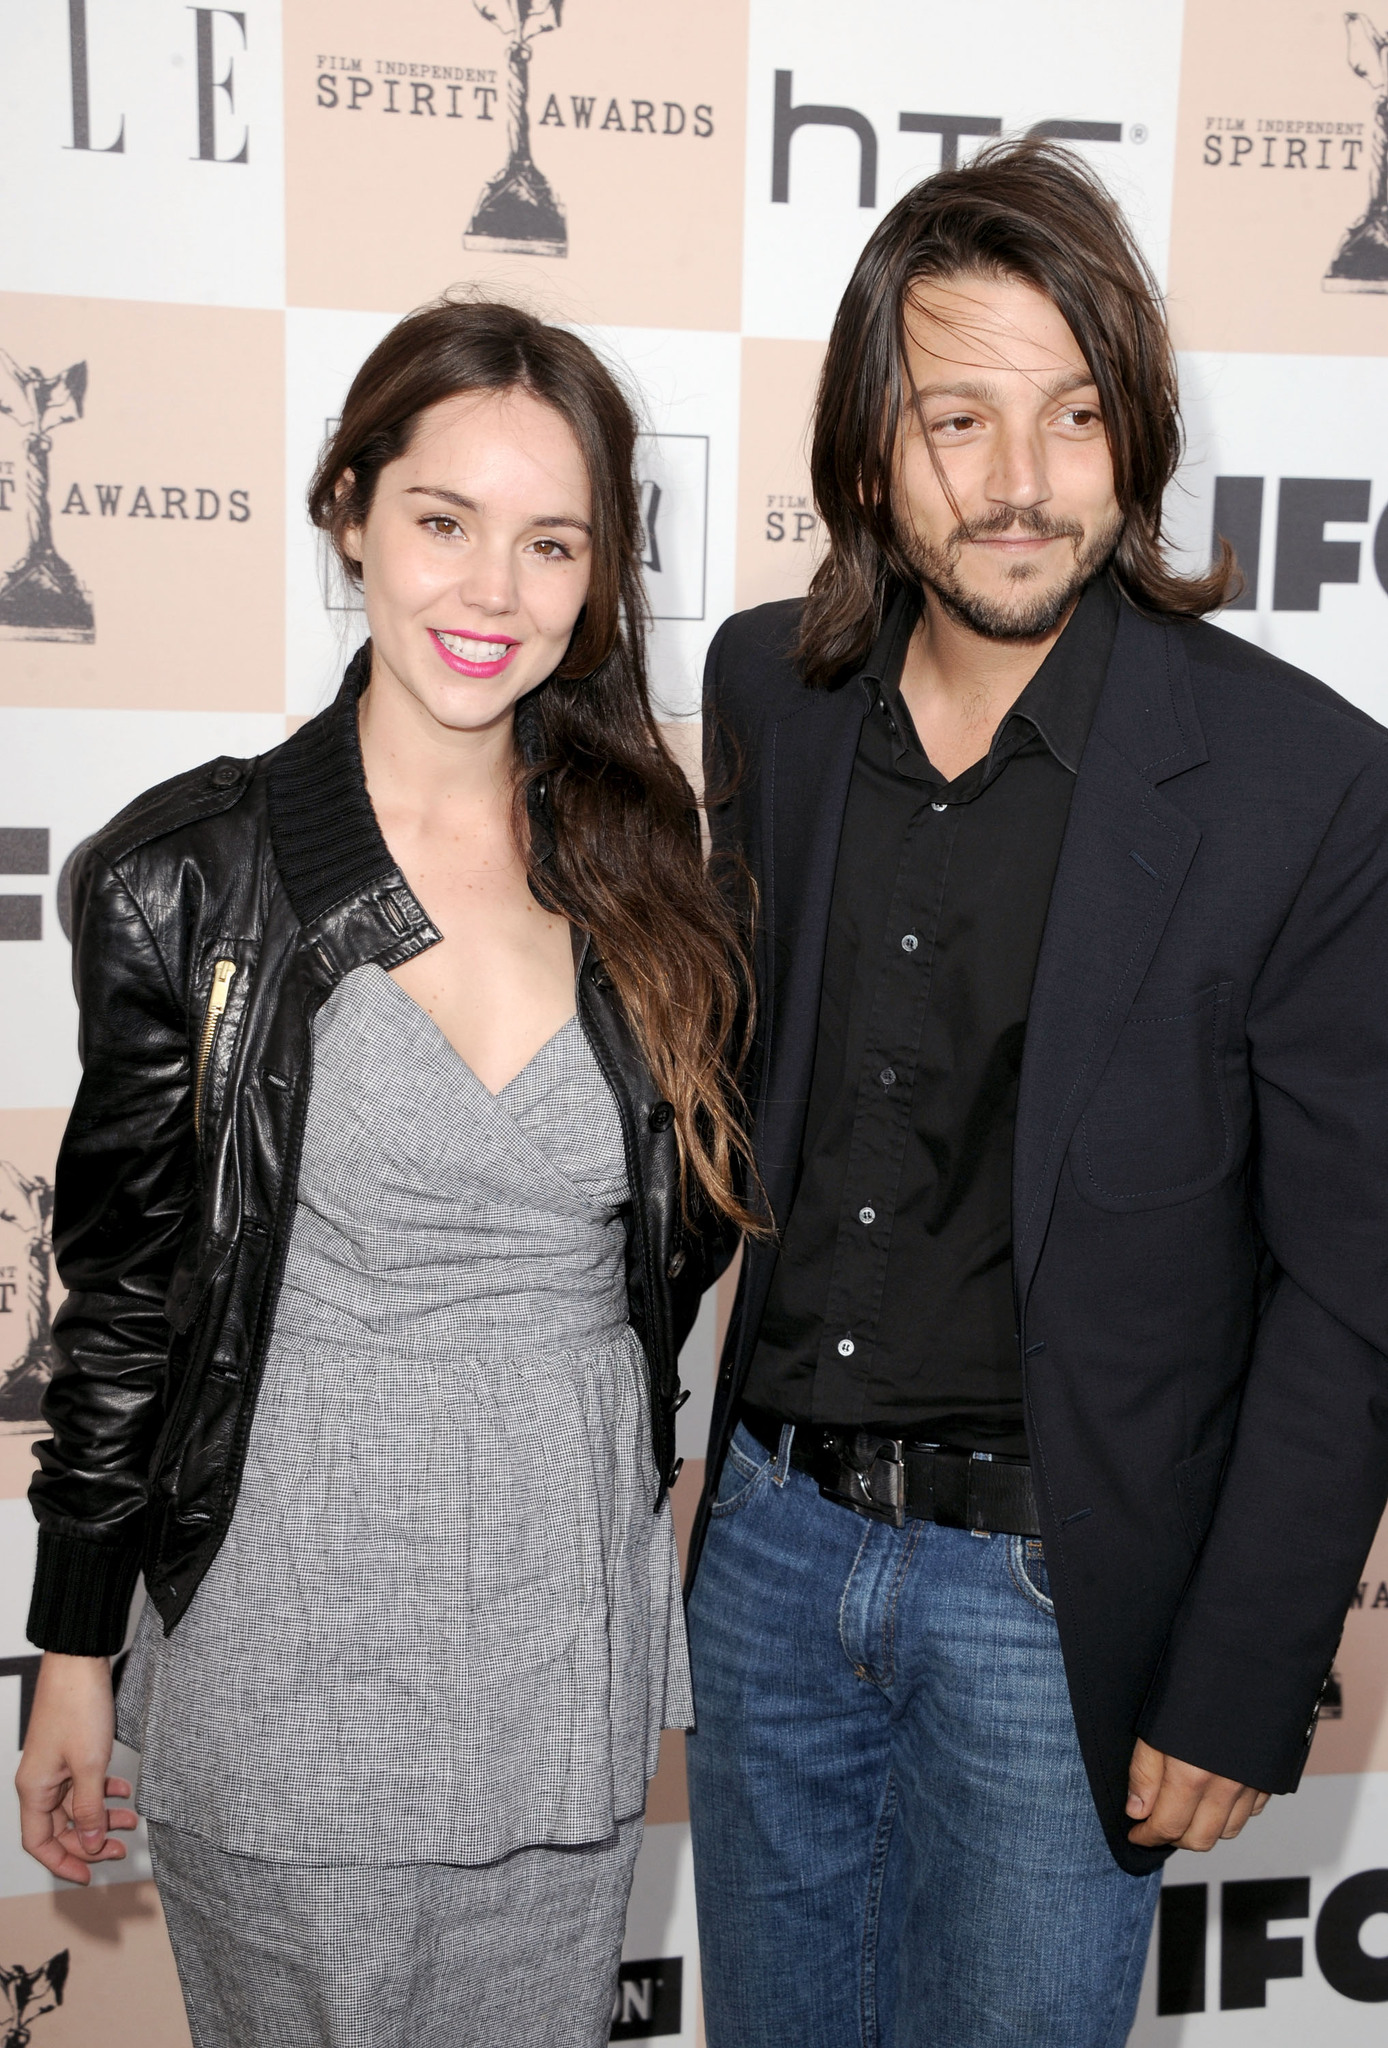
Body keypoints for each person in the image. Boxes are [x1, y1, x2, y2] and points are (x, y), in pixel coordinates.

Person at [684, 139, 1388, 2048]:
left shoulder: (1298, 785)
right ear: (866, 452)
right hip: (765, 1555)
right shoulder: (771, 700)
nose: (1018, 485)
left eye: (1075, 418)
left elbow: (1353, 1286)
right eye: (957, 419)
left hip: (1054, 1604)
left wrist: (1246, 1668)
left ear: (1137, 435)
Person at [16, 298, 752, 2048]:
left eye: (549, 541)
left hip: (563, 1641)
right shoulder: (184, 875)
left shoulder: (653, 865)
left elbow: (682, 1245)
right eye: (442, 521)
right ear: (349, 510)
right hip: (293, 1655)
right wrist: (72, 1650)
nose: (491, 591)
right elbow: (121, 1304)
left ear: (598, 574)